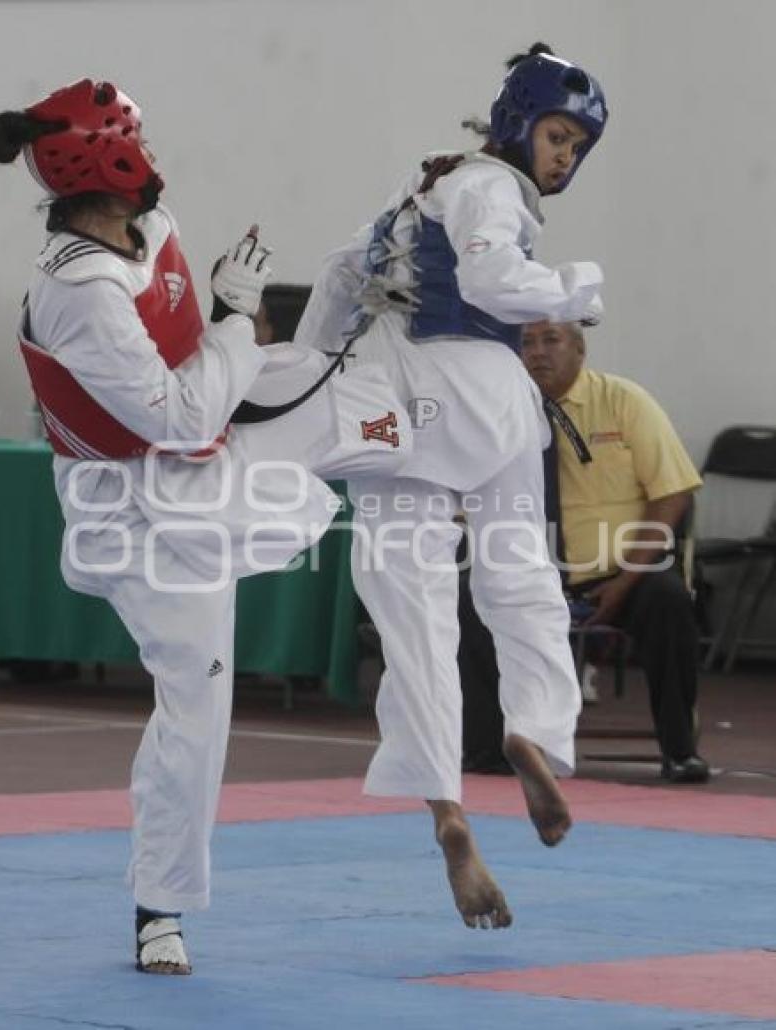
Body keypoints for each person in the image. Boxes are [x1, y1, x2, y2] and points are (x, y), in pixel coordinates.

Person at [0, 78, 411, 975]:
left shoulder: (150, 230)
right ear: (111, 161)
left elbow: (198, 378)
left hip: (202, 442)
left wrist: (233, 327)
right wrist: (237, 320)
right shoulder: (79, 292)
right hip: (135, 513)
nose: (155, 158)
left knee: (370, 402)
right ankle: (159, 907)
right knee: (201, 697)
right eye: (139, 142)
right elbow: (176, 416)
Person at [296, 42, 608, 930]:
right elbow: (491, 278)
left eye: (577, 147)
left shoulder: (421, 182)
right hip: (478, 384)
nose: (564, 156)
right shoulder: (492, 187)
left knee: (413, 613)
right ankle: (535, 733)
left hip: (389, 399)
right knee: (518, 576)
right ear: (516, 122)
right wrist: (577, 291)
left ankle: (449, 812)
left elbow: (341, 272)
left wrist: (313, 371)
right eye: (557, 134)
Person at [521, 319, 709, 782]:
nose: (538, 352)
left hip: (620, 571)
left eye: (551, 340)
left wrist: (625, 582)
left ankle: (679, 750)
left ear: (580, 349)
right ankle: (485, 752)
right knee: (465, 600)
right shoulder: (504, 410)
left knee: (667, 600)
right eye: (526, 342)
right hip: (530, 571)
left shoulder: (623, 400)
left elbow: (673, 492)